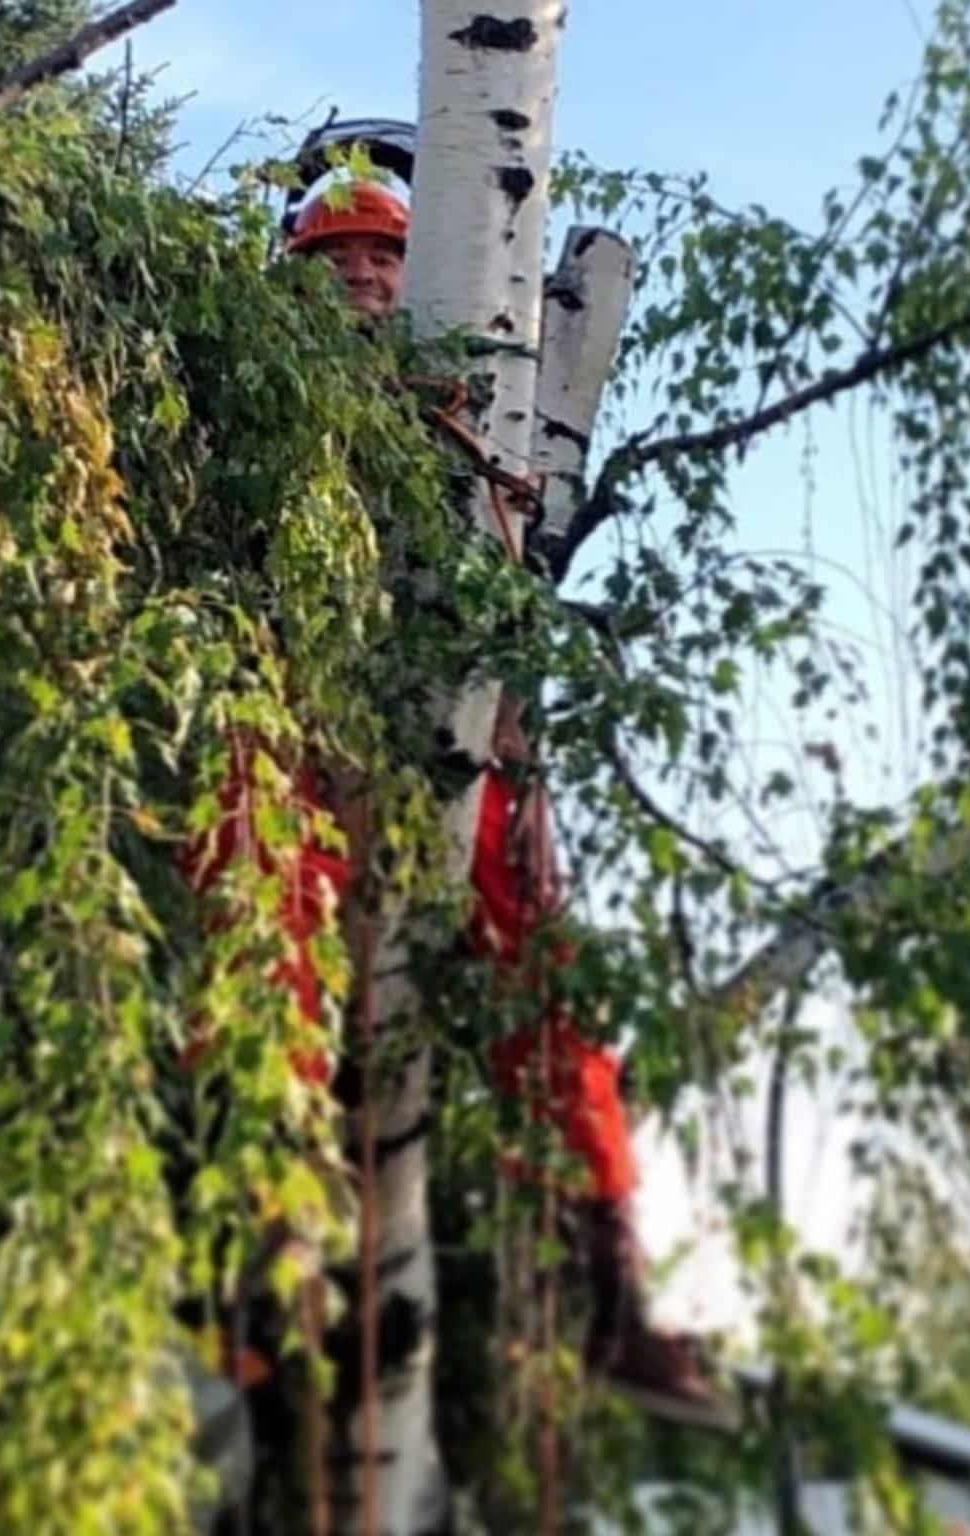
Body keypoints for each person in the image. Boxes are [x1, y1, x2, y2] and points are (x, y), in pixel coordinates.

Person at [188, 179, 726, 1426]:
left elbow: (508, 566)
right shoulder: (249, 395)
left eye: (383, 259)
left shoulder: (475, 397)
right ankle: (264, 1248)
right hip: (298, 704)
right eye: (338, 263)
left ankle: (606, 1286)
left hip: (457, 715)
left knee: (542, 971)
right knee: (257, 922)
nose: (365, 280)